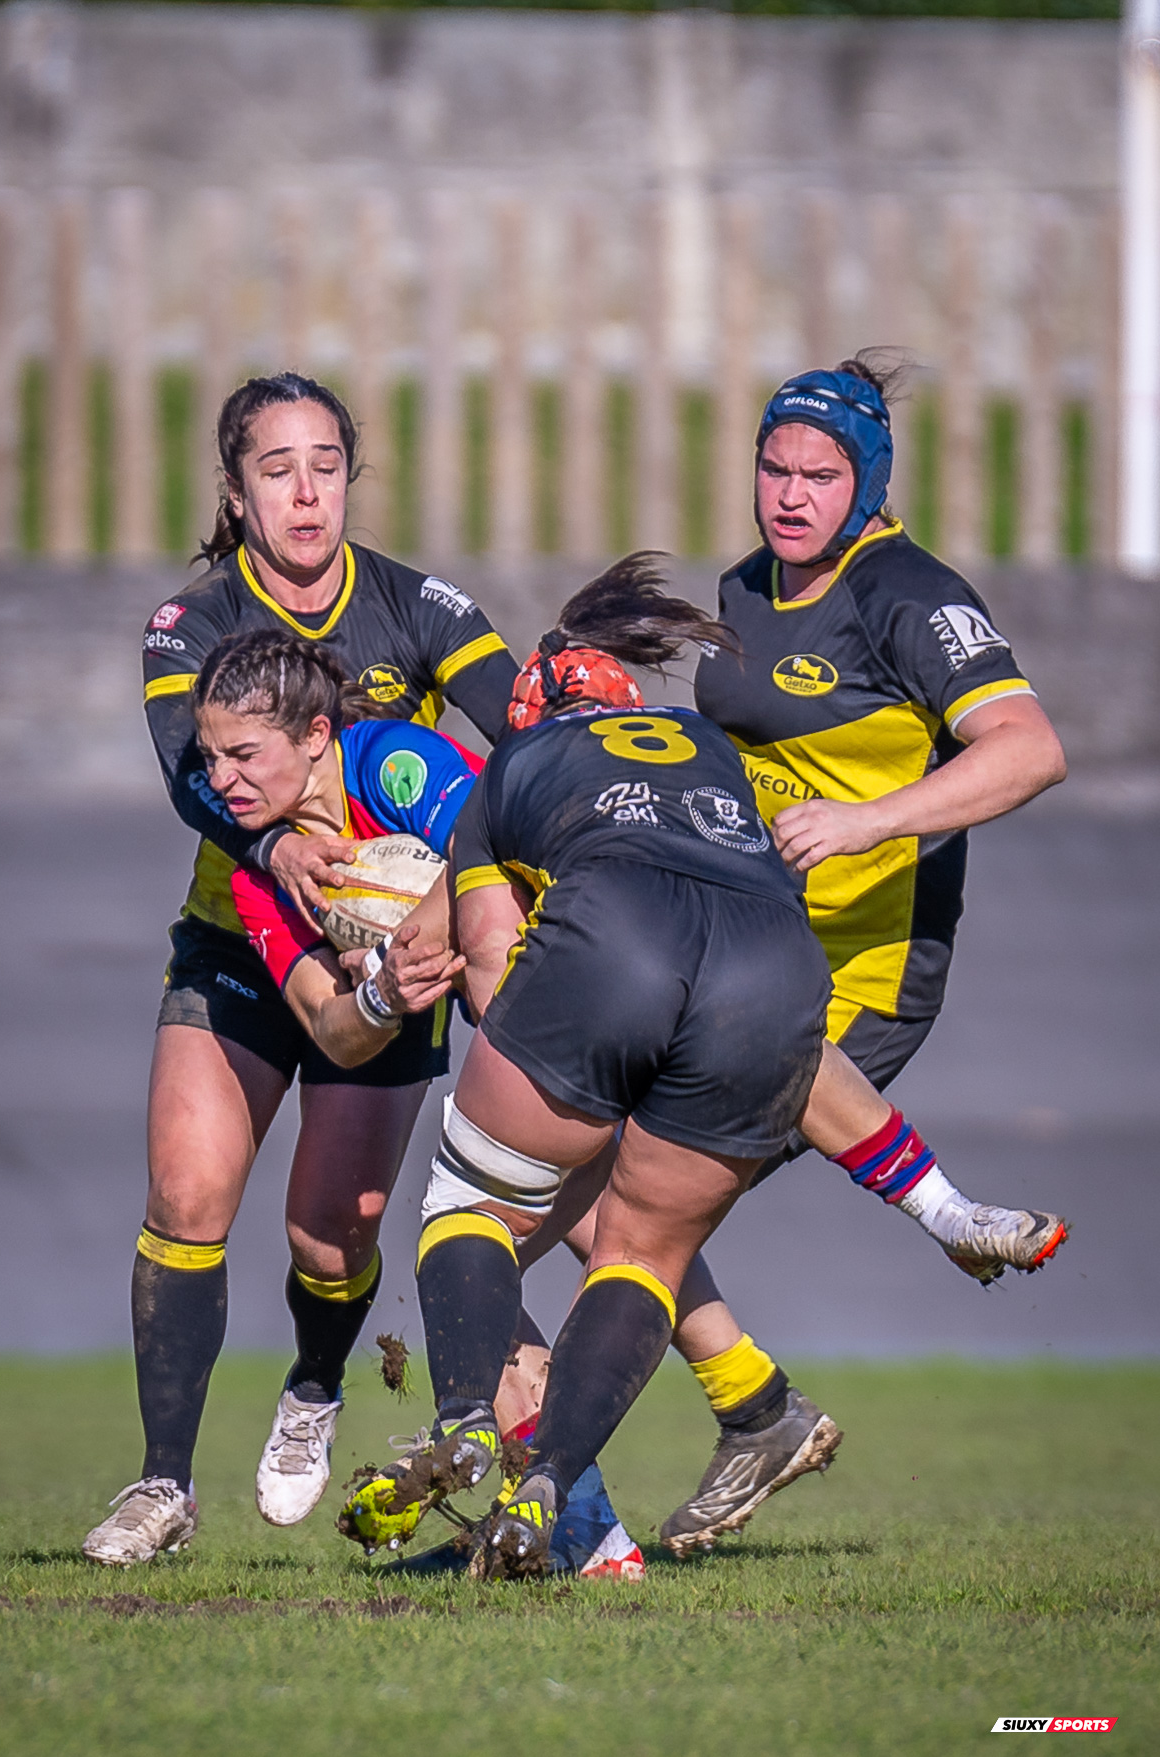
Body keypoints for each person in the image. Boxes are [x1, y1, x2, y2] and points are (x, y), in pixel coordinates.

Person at [339, 556, 1062, 1575]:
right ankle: (552, 1485)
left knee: (469, 1206)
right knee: (639, 1256)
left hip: (608, 955)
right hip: (772, 967)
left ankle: (465, 1421)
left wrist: (539, 1061)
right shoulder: (707, 751)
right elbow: (794, 1044)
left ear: (532, 708)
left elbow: (495, 967)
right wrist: (934, 1205)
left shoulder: (508, 770)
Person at [81, 371, 518, 1567]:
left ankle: (317, 1383)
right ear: (235, 491)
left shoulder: (414, 604)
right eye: (276, 469)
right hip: (237, 940)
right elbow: (186, 771)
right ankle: (162, 1483)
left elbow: (515, 735)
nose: (305, 490)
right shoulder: (190, 622)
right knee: (185, 1200)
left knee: (329, 1240)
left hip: (388, 957)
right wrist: (271, 843)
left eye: (324, 463)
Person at [650, 354, 1069, 1556]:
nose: (787, 494)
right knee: (604, 1210)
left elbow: (1027, 749)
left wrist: (866, 821)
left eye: (817, 474)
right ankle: (748, 1420)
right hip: (735, 963)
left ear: (868, 480)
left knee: (619, 1212)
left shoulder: (908, 595)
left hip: (857, 984)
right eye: (771, 468)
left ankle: (580, 1485)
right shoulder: (740, 584)